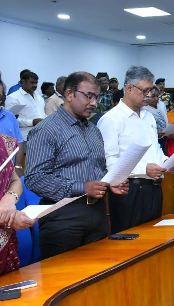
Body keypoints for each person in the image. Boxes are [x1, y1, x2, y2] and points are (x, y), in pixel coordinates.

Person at [25, 72, 129, 259]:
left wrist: (110, 182)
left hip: (97, 213)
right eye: (88, 96)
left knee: (97, 277)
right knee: (64, 282)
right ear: (70, 94)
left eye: (95, 97)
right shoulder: (46, 130)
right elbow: (35, 179)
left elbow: (98, 168)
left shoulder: (93, 130)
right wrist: (81, 188)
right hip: (62, 217)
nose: (93, 103)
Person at [98, 66, 171, 233]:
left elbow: (155, 149)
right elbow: (109, 162)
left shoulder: (148, 116)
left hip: (153, 188)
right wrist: (143, 169)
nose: (149, 95)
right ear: (129, 88)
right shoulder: (111, 119)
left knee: (153, 240)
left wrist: (166, 161)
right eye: (145, 91)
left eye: (151, 91)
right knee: (129, 242)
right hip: (128, 190)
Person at [0, 131, 35, 275]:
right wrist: (9, 218)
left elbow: (14, 180)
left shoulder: (2, 142)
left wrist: (10, 197)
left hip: (6, 246)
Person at [6, 70, 46, 143]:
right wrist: (31, 122)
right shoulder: (14, 97)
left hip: (42, 137)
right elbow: (9, 120)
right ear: (23, 81)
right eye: (32, 82)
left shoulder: (39, 98)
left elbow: (42, 114)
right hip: (24, 138)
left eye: (36, 83)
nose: (35, 85)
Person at [0, 81, 25, 177]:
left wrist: (18, 166)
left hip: (9, 174)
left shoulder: (10, 117)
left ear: (3, 97)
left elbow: (19, 142)